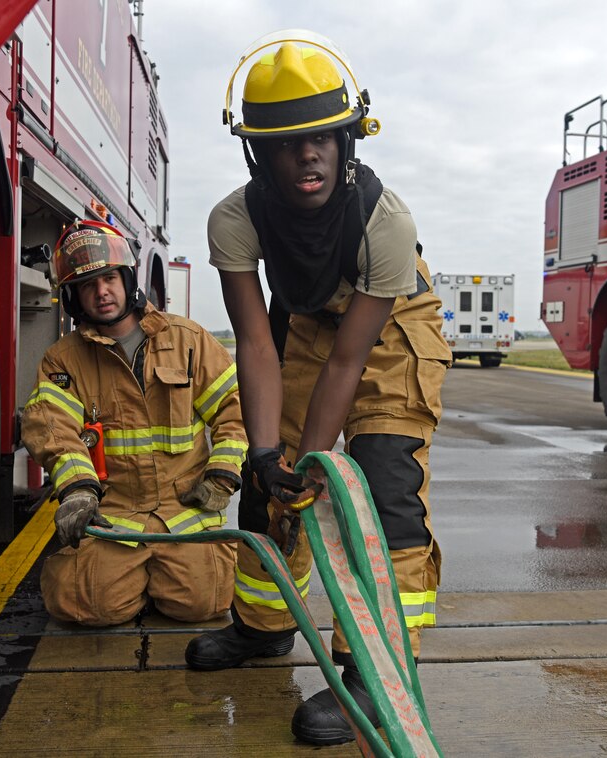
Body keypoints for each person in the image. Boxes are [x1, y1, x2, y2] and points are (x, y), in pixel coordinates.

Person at [183, 32, 451, 746]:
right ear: (258, 155)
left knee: (380, 485)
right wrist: (270, 457)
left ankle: (372, 665)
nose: (307, 154)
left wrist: (310, 458)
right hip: (302, 326)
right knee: (266, 480)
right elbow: (255, 341)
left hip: (390, 328)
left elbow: (350, 361)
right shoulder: (234, 221)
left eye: (322, 138)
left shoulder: (385, 222)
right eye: (285, 143)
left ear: (346, 141)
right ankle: (262, 628)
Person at [21, 219, 248, 628]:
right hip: (114, 515)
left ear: (126, 279)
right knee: (80, 604)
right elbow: (53, 429)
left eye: (109, 278)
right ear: (74, 296)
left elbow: (236, 411)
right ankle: (136, 580)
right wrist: (76, 489)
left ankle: (159, 578)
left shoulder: (189, 340)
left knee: (207, 601)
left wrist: (222, 476)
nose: (102, 292)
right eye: (88, 284)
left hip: (183, 512)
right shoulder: (63, 360)